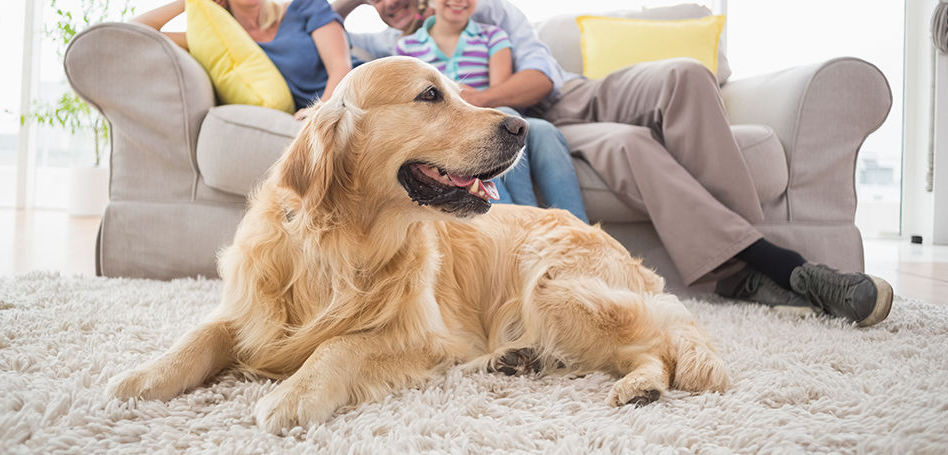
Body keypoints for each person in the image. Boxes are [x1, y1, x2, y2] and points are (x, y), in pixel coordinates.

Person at [333, 0, 895, 327]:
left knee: (685, 74)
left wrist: (477, 103)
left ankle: (751, 266)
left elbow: (543, 77)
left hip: (571, 96)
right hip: (544, 131)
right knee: (630, 148)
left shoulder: (487, 12)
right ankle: (781, 268)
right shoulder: (392, 40)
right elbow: (334, 55)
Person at [393, 0, 588, 222]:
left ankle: (578, 225)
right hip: (454, 129)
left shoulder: (493, 36)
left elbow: (499, 93)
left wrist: (474, 102)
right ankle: (523, 224)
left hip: (493, 113)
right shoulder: (407, 47)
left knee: (544, 131)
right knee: (516, 127)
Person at [132, 0, 357, 120]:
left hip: (353, 94)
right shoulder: (223, 41)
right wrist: (190, 1)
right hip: (310, 118)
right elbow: (134, 33)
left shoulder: (304, 6)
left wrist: (320, 111)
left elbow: (341, 66)